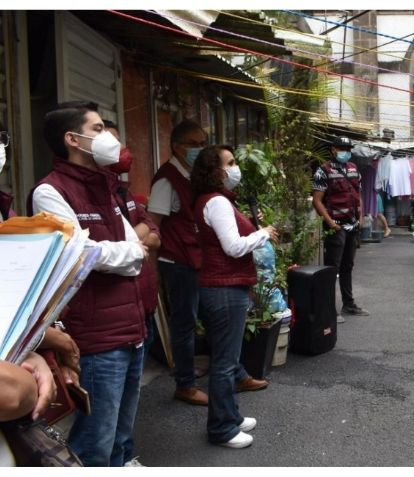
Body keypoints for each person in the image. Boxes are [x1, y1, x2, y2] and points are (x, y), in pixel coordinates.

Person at [28, 101, 147, 466]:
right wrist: (125, 254)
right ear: (73, 139)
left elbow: (136, 250)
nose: (108, 136)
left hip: (132, 327)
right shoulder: (49, 192)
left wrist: (120, 254)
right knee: (95, 442)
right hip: (95, 338)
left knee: (120, 436)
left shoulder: (106, 186)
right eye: (97, 129)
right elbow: (79, 256)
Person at [149, 120, 267, 406]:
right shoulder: (167, 179)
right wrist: (151, 271)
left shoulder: (196, 178)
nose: (200, 148)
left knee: (217, 321)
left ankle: (236, 372)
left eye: (204, 142)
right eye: (194, 143)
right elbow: (153, 225)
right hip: (178, 261)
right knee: (185, 323)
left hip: (202, 260)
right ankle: (186, 384)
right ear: (177, 146)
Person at [191, 145, 278, 448]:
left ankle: (231, 416)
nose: (235, 167)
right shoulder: (216, 202)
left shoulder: (219, 200)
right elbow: (234, 247)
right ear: (214, 171)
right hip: (223, 289)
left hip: (225, 287)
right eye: (229, 163)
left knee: (228, 359)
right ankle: (222, 428)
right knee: (226, 363)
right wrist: (263, 232)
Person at [104, 121, 161, 365]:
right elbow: (104, 245)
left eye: (119, 141)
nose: (120, 148)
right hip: (114, 318)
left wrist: (130, 239)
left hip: (143, 306)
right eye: (110, 141)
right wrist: (136, 237)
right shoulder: (88, 195)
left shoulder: (122, 191)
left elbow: (155, 233)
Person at [312, 136, 369, 322]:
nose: (345, 151)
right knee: (332, 268)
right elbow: (317, 200)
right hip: (336, 226)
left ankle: (349, 304)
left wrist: (361, 218)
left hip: (352, 224)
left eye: (347, 148)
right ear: (333, 150)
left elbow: (358, 195)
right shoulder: (323, 171)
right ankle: (330, 309)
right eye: (341, 148)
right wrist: (330, 222)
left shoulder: (353, 169)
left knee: (347, 266)